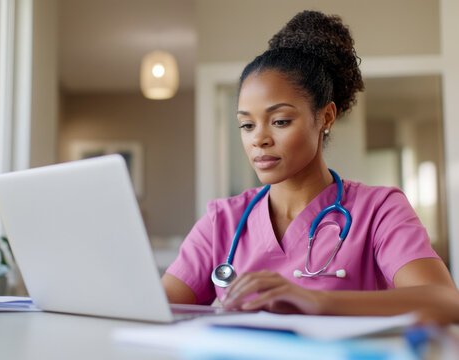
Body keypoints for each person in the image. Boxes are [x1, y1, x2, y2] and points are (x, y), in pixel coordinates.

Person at [161, 10, 459, 322]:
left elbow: (446, 301)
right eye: (247, 125)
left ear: (326, 117)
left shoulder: (379, 210)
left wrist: (315, 300)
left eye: (280, 121)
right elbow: (151, 309)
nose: (259, 139)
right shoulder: (221, 222)